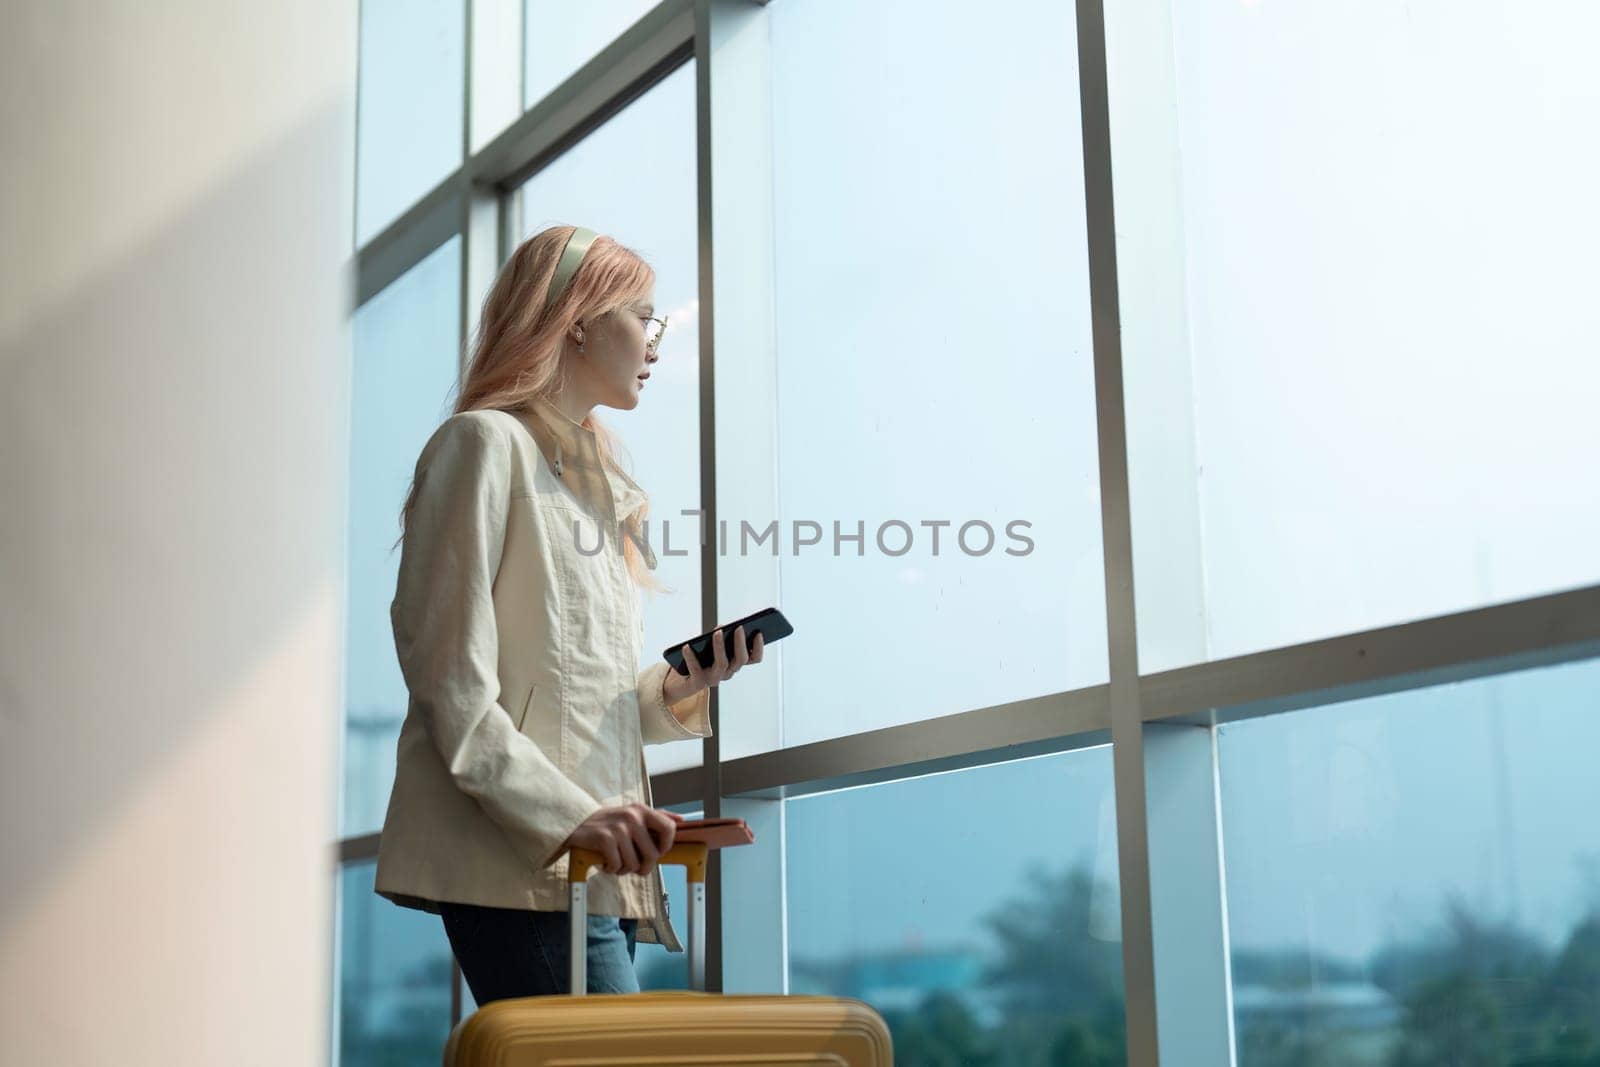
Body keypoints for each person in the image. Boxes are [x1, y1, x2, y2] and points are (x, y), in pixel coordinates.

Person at [372, 224, 764, 1002]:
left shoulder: (592, 486)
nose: (654, 344)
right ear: (579, 317)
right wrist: (570, 817)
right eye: (643, 318)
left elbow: (579, 694)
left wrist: (684, 685)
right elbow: (451, 684)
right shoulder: (483, 445)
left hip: (591, 865)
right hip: (524, 865)